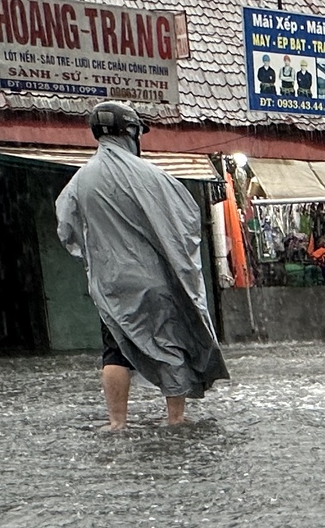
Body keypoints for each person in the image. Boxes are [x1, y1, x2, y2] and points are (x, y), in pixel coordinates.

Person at [55, 100, 228, 430]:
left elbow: (66, 228)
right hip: (156, 280)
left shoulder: (80, 181)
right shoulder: (155, 177)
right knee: (170, 344)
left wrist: (96, 253)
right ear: (131, 132)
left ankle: (117, 422)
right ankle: (176, 418)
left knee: (115, 351)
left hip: (112, 285)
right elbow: (187, 221)